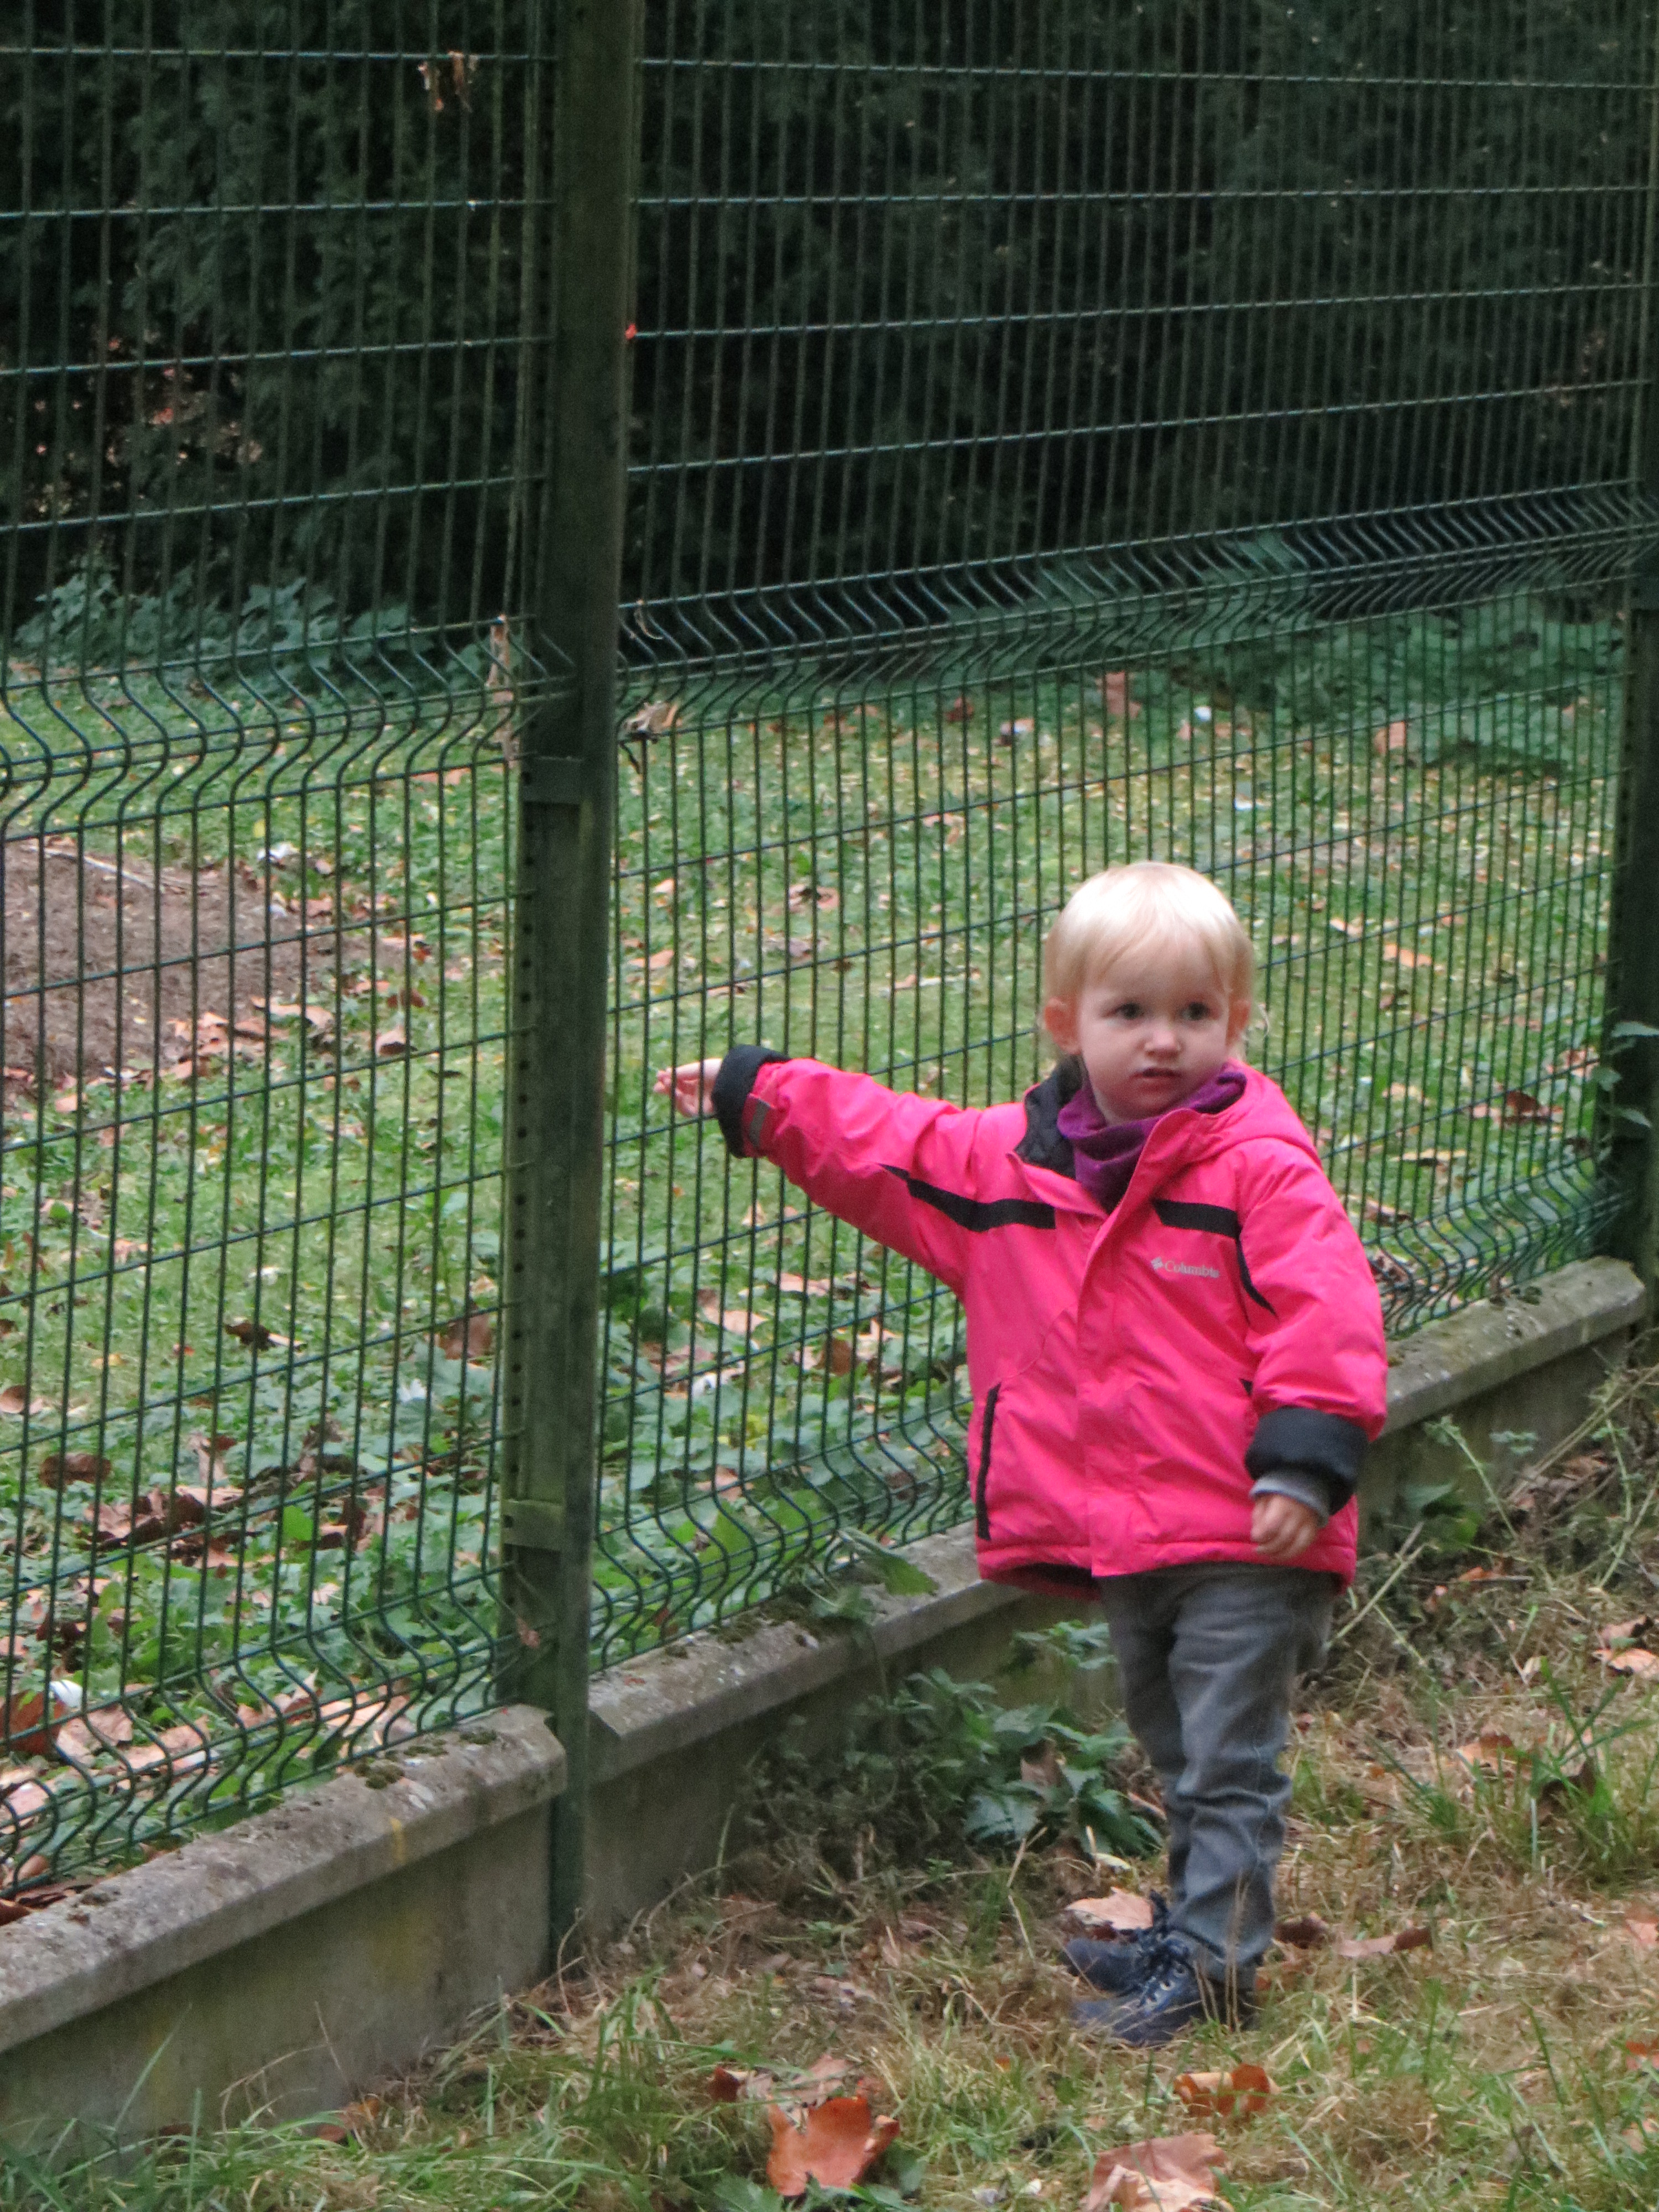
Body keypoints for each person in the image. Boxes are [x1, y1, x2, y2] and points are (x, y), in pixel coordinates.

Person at [656, 860, 1386, 2046]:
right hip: (1129, 1534)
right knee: (1175, 1744)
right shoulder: (1012, 1171)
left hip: (1251, 1532)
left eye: (1196, 1013)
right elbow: (894, 1147)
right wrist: (762, 1095)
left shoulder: (1258, 1164)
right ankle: (1193, 1926)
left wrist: (1304, 1458)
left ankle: (1215, 1973)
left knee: (1228, 1758)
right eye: (1130, 1012)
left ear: (1237, 1021)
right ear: (1066, 1022)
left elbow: (1328, 1310)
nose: (1164, 1040)